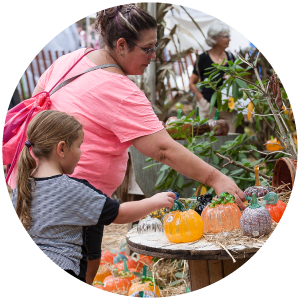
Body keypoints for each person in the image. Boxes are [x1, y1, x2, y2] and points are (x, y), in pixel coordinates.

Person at [9, 4, 245, 284]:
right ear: (121, 45)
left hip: (29, 184)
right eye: (147, 48)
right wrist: (215, 177)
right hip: (78, 204)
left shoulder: (70, 60)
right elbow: (163, 149)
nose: (153, 56)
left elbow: (36, 111)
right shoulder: (119, 89)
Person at [12, 110, 176, 283]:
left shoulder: (22, 186)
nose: (80, 153)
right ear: (61, 149)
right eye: (78, 146)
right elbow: (119, 213)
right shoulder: (72, 189)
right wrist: (154, 202)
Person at [189, 22, 237, 132]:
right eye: (226, 36)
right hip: (207, 106)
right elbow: (192, 82)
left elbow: (237, 80)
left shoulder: (231, 57)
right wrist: (201, 100)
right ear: (214, 38)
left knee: (229, 140)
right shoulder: (203, 58)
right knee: (205, 141)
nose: (229, 39)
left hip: (227, 108)